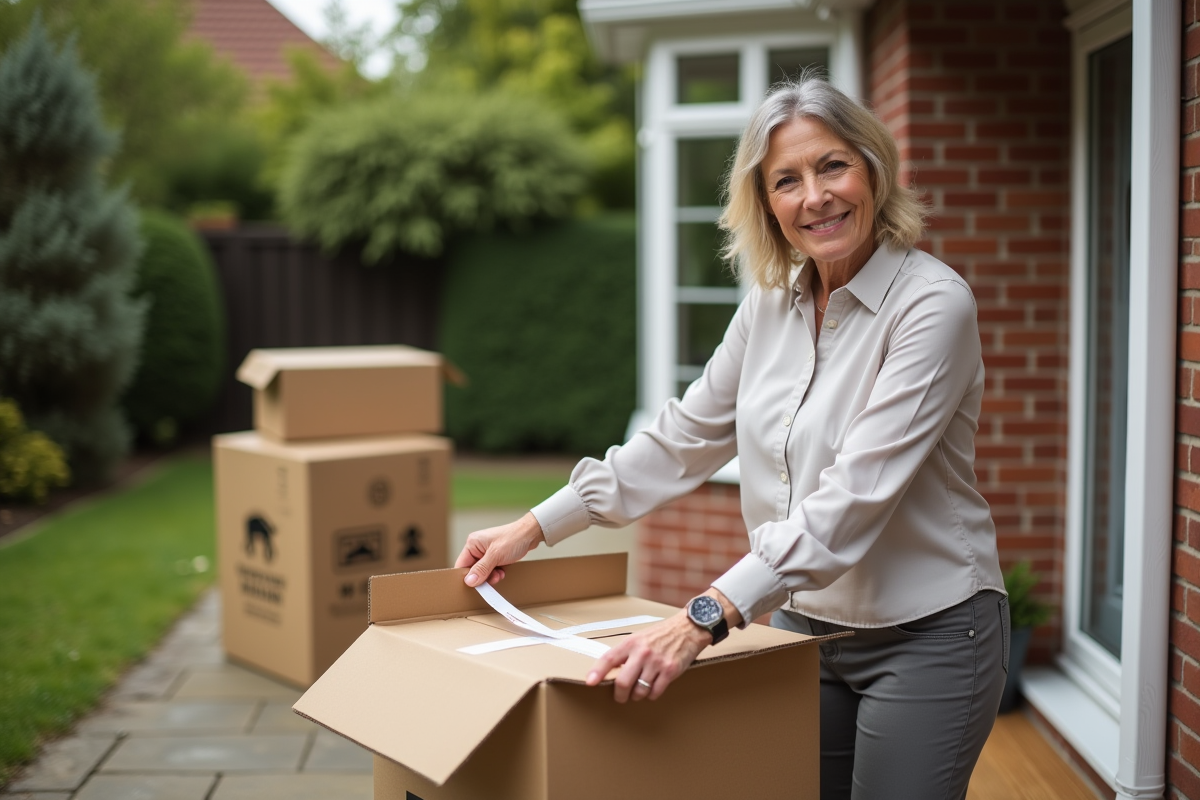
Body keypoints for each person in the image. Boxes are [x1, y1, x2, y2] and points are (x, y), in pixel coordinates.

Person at [455, 75, 1008, 800]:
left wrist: (703, 618)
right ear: (766, 203)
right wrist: (534, 526)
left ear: (873, 171)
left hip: (929, 634)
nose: (816, 196)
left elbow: (854, 497)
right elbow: (685, 436)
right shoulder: (769, 305)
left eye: (833, 166)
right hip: (806, 625)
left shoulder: (932, 307)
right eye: (787, 180)